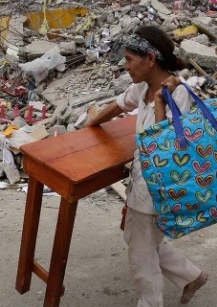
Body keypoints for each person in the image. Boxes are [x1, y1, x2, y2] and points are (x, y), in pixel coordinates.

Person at [85, 26, 209, 306]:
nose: (126, 65)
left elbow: (166, 148)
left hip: (161, 185)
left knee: (141, 252)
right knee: (138, 237)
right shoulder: (141, 87)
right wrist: (91, 123)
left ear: (150, 59)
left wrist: (160, 103)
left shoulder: (180, 94)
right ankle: (191, 276)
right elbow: (118, 105)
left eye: (130, 59)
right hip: (142, 181)